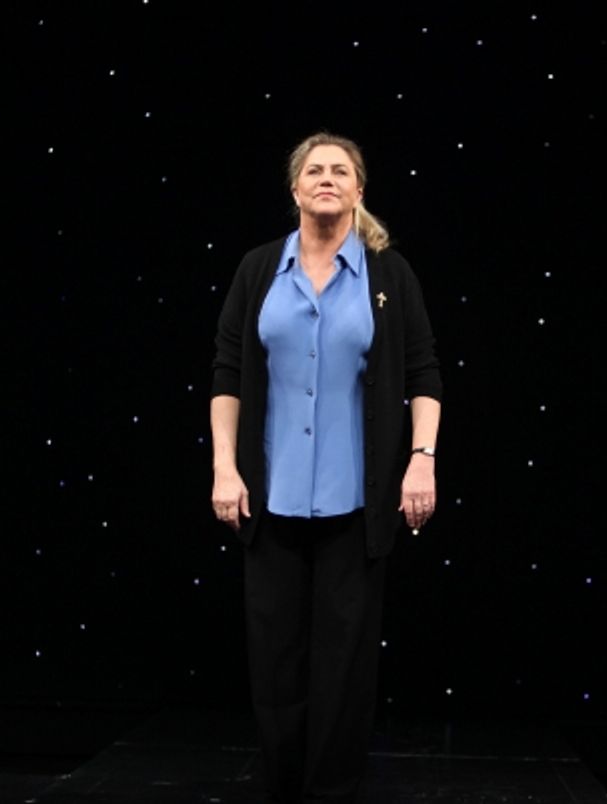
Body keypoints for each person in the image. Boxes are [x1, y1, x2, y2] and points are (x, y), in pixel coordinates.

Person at [210, 132, 442, 803]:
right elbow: (227, 373)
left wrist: (421, 461)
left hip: (355, 503)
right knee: (274, 660)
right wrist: (224, 467)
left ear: (358, 189)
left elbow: (424, 373)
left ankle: (332, 791)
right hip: (271, 497)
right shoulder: (259, 269)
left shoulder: (388, 275)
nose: (327, 179)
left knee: (344, 664)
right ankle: (283, 787)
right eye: (314, 170)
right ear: (295, 188)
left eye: (341, 171)